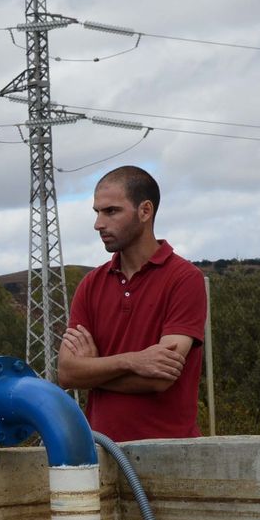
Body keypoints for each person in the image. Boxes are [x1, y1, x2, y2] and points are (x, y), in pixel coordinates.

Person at [57, 165, 207, 441]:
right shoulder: (91, 284)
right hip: (101, 450)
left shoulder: (185, 279)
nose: (98, 224)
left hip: (170, 454)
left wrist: (94, 369)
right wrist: (133, 361)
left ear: (145, 211)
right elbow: (67, 373)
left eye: (111, 211)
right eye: (97, 212)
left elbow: (160, 377)